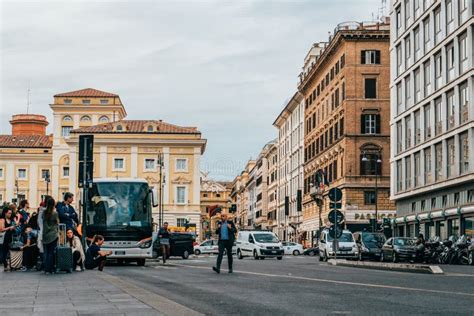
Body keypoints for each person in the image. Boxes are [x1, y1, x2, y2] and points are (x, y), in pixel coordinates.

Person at [42, 197, 59, 274]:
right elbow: (57, 222)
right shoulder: (55, 213)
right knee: (51, 253)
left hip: (45, 235)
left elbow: (44, 224)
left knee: (46, 252)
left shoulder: (44, 212)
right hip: (53, 235)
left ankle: (46, 269)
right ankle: (50, 268)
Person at [0, 207, 17, 272]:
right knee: (5, 252)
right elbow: (1, 229)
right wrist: (10, 227)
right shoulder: (2, 219)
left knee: (9, 252)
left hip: (10, 238)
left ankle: (10, 266)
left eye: (11, 213)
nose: (10, 214)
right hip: (4, 238)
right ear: (5, 213)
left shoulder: (10, 220)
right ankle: (5, 266)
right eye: (9, 213)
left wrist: (13, 228)